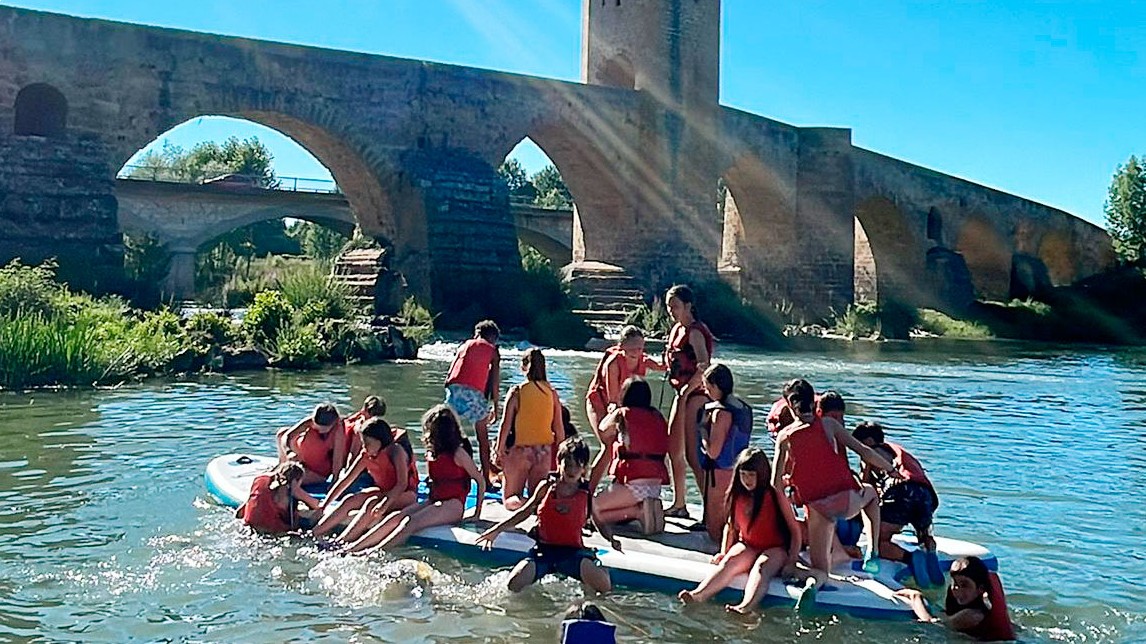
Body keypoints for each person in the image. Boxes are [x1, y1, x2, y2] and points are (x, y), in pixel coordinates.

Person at [772, 379, 899, 577]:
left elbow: (775, 483)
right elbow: (864, 452)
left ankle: (812, 582)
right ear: (813, 402)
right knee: (872, 494)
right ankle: (873, 552)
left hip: (817, 509)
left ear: (789, 405)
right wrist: (891, 470)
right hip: (845, 502)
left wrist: (788, 486)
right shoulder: (829, 424)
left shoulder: (784, 437)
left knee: (820, 569)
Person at [476, 437, 622, 594]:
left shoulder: (586, 495)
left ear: (584, 469)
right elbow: (524, 512)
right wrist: (496, 530)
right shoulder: (546, 487)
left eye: (577, 466)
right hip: (544, 551)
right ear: (559, 463)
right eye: (568, 464)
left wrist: (611, 539)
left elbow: (599, 522)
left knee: (604, 587)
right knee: (513, 584)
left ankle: (600, 570)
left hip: (572, 553)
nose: (572, 470)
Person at [678, 447, 809, 613]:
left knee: (761, 568)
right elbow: (731, 527)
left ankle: (745, 606)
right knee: (729, 563)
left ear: (761, 474)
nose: (747, 480)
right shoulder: (737, 495)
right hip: (749, 545)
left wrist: (791, 560)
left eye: (752, 475)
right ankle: (698, 595)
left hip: (776, 549)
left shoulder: (775, 495)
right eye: (743, 474)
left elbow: (795, 531)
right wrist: (724, 552)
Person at [341, 405, 485, 554]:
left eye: (430, 430)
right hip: (434, 499)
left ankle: (373, 551)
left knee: (410, 523)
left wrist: (476, 514)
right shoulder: (434, 453)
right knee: (396, 517)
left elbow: (480, 481)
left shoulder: (458, 453)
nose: (427, 434)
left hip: (453, 504)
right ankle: (353, 546)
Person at [853, 421, 943, 586]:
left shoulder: (871, 453)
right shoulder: (900, 452)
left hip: (901, 491)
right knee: (924, 534)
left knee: (878, 540)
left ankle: (911, 558)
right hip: (925, 494)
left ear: (866, 442)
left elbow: (865, 489)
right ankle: (929, 551)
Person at [311, 418, 418, 544]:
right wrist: (325, 504)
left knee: (371, 504)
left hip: (405, 495)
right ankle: (315, 532)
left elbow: (401, 484)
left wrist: (384, 504)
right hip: (384, 491)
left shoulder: (396, 451)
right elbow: (346, 480)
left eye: (367, 443)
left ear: (379, 441)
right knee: (350, 499)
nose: (364, 447)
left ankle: (341, 542)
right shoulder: (365, 455)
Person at [662, 285, 716, 518]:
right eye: (668, 307)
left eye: (675, 306)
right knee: (673, 449)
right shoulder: (677, 329)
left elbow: (704, 365)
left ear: (688, 306)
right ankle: (679, 503)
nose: (671, 311)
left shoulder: (694, 332)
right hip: (681, 393)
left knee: (694, 456)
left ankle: (710, 510)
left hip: (694, 396)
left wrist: (687, 390)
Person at [592, 377, 669, 534]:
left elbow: (602, 430)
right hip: (655, 484)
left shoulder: (622, 414)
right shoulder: (658, 416)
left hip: (632, 483)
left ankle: (638, 512)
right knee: (601, 510)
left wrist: (612, 412)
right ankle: (643, 508)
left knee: (591, 510)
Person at [495, 348, 565, 510]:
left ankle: (527, 506)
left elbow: (506, 424)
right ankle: (537, 506)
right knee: (537, 494)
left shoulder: (517, 392)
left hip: (520, 450)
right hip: (543, 452)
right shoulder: (552, 393)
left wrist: (499, 449)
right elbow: (559, 428)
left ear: (523, 367)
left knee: (510, 499)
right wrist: (562, 455)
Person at [896, 556, 1016, 641]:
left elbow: (932, 625)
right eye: (955, 583)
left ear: (980, 589)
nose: (957, 589)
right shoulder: (981, 604)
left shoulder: (972, 615)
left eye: (964, 585)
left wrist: (916, 597)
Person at [696, 364, 752, 541]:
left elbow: (713, 452)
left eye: (707, 387)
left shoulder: (720, 413)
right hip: (739, 472)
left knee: (715, 528)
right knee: (733, 522)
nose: (706, 392)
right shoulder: (744, 408)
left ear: (714, 386)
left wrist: (703, 430)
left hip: (720, 474)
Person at [445, 320, 502, 488]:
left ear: (477, 333)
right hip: (472, 392)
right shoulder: (492, 350)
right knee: (482, 438)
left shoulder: (464, 345)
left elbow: (451, 372)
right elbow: (495, 382)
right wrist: (496, 407)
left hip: (452, 390)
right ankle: (485, 479)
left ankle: (442, 473)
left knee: (446, 433)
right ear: (493, 339)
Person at [584, 325, 664, 439]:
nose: (636, 353)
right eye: (632, 349)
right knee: (608, 442)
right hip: (599, 401)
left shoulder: (643, 359)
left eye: (640, 349)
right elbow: (613, 400)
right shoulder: (613, 363)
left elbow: (662, 367)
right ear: (621, 346)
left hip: (620, 404)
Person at [235, 460, 321, 535]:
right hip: (273, 533)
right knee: (315, 516)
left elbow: (240, 511)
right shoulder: (288, 496)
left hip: (248, 526)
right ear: (297, 481)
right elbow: (317, 506)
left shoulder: (260, 480)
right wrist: (297, 491)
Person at [276, 403, 347, 485]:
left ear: (333, 423)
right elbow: (287, 436)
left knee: (288, 478)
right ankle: (282, 464)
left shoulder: (338, 432)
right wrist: (288, 451)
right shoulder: (310, 421)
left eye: (323, 430)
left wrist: (335, 481)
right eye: (317, 428)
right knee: (281, 434)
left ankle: (284, 471)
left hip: (317, 472)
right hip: (302, 461)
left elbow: (337, 460)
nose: (320, 431)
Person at [342, 395, 387, 460]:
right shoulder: (359, 428)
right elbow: (353, 453)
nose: (375, 419)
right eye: (373, 416)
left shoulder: (379, 426)